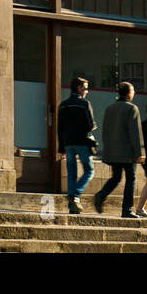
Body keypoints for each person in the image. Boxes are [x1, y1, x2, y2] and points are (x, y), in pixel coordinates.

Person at [92, 82, 144, 218]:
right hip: (127, 153)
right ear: (128, 93)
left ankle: (101, 195)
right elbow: (135, 133)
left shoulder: (110, 108)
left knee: (116, 177)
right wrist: (139, 153)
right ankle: (127, 209)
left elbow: (105, 131)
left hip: (113, 151)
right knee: (130, 179)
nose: (134, 93)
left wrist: (107, 149)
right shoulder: (132, 109)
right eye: (133, 91)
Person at [56, 76, 97, 214]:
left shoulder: (63, 105)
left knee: (71, 174)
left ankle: (72, 206)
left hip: (68, 144)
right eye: (85, 88)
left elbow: (59, 128)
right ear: (79, 88)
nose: (87, 91)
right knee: (89, 170)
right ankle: (75, 195)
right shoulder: (84, 104)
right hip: (82, 142)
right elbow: (91, 125)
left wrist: (61, 147)